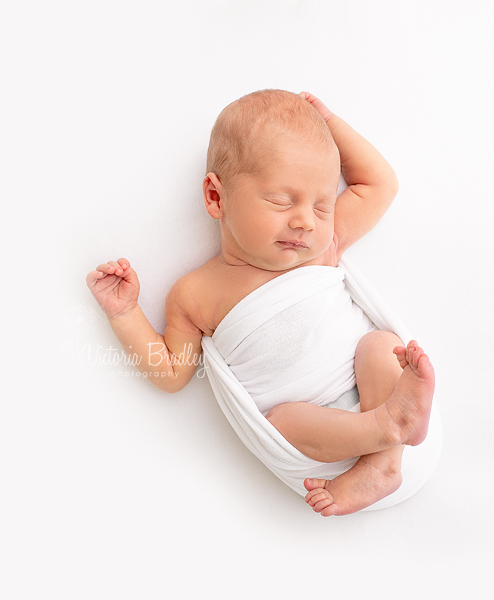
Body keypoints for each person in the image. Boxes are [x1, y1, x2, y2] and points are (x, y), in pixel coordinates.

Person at [86, 89, 434, 516]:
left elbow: (380, 184)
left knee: (382, 347)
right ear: (217, 198)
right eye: (281, 200)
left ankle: (383, 462)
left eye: (322, 206)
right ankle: (383, 432)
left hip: (371, 391)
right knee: (285, 420)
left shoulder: (325, 246)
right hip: (314, 435)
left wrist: (331, 125)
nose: (305, 220)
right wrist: (124, 313)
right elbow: (171, 373)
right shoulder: (196, 293)